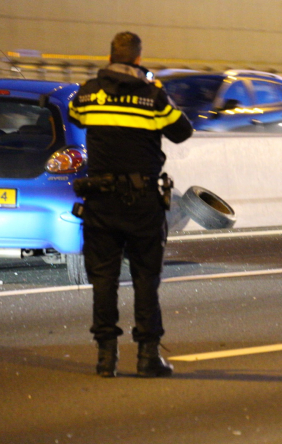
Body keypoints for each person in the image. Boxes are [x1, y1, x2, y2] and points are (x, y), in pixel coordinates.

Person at [69, 32, 193, 378]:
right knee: (145, 278)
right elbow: (182, 131)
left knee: (103, 278)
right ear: (138, 59)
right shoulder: (152, 96)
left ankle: (105, 358)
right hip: (142, 203)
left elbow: (76, 116)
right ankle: (147, 356)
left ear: (110, 57)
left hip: (100, 201)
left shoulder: (88, 93)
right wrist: (153, 89)